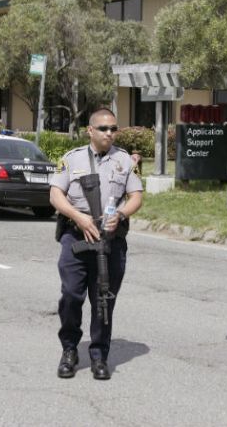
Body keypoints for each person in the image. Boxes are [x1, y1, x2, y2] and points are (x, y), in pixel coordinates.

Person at [49, 108, 143, 380]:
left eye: (113, 128)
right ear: (90, 130)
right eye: (103, 128)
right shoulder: (71, 159)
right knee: (71, 296)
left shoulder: (124, 161)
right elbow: (56, 194)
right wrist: (78, 216)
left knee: (104, 300)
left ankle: (99, 355)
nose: (110, 133)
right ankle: (69, 350)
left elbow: (135, 196)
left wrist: (121, 215)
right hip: (76, 236)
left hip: (109, 240)